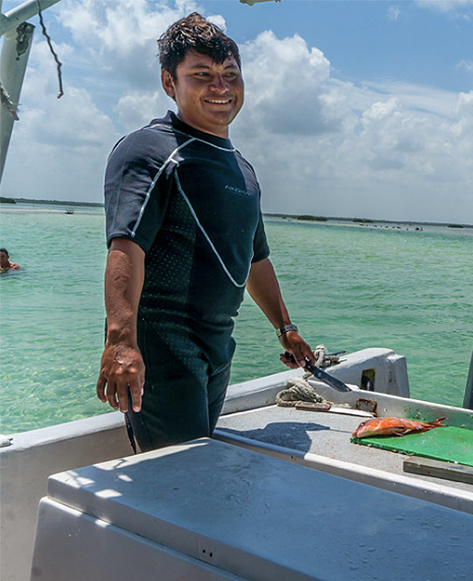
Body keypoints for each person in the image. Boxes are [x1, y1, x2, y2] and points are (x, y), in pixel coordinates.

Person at [96, 13, 316, 452]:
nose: (220, 87)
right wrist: (121, 341)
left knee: (194, 472)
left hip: (218, 345)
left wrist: (285, 328)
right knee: (181, 477)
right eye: (202, 75)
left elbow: (254, 259)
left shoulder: (243, 169)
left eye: (229, 75)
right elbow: (126, 246)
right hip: (163, 340)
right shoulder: (150, 149)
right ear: (168, 82)